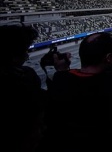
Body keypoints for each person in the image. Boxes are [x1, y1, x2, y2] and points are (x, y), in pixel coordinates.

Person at [1, 24, 69, 152]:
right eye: (25, 51)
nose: (27, 56)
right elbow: (53, 105)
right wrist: (58, 71)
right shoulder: (24, 77)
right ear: (13, 55)